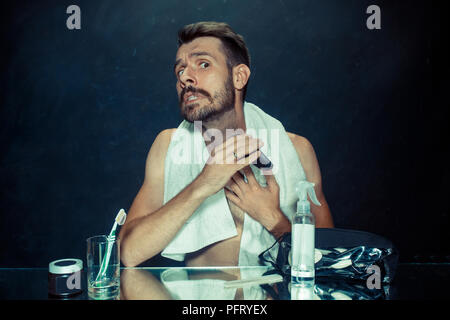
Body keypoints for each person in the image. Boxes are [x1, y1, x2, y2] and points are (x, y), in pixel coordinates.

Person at [119, 21, 333, 268]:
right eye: (180, 71)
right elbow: (128, 253)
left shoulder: (297, 151)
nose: (185, 77)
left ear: (239, 76)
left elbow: (329, 262)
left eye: (203, 64)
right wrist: (203, 184)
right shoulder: (168, 147)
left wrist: (274, 220)